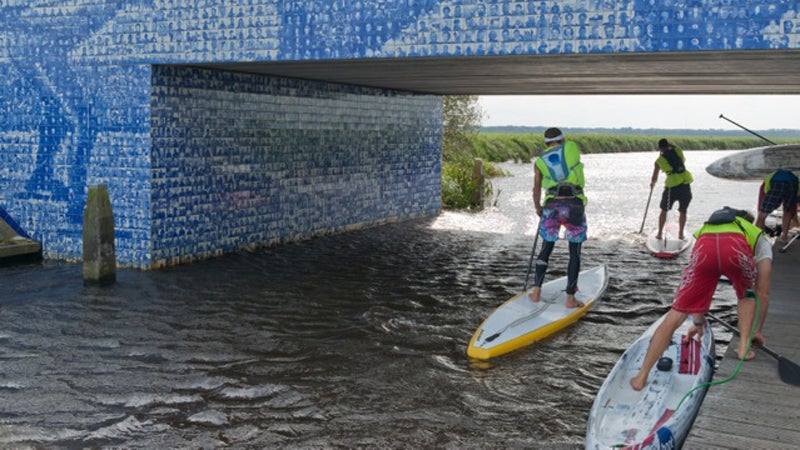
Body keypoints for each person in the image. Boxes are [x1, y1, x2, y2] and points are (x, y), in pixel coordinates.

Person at [630, 207, 768, 391]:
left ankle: (641, 376)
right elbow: (763, 291)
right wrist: (756, 331)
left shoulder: (708, 229)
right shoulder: (756, 235)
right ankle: (743, 347)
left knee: (677, 311)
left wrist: (698, 322)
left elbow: (702, 291)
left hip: (705, 246)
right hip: (735, 249)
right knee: (747, 294)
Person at [529, 127, 587, 309]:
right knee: (574, 252)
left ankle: (536, 292)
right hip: (574, 205)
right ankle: (570, 298)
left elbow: (536, 188)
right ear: (563, 140)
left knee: (546, 248)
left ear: (545, 143)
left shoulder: (539, 162)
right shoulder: (571, 147)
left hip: (551, 205)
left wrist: (538, 207)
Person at [651, 138, 693, 240]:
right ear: (668, 145)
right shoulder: (678, 151)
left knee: (664, 210)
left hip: (671, 187)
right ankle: (681, 234)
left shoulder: (658, 161)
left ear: (660, 148)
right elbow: (675, 147)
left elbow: (654, 177)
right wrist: (670, 146)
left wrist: (652, 184)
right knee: (683, 211)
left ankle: (660, 234)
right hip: (685, 183)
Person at [755, 169, 799, 245]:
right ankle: (784, 238)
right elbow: (793, 208)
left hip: (777, 182)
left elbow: (760, 208)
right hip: (793, 182)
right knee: (787, 211)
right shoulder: (793, 176)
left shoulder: (767, 181)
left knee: (762, 214)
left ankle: (758, 240)